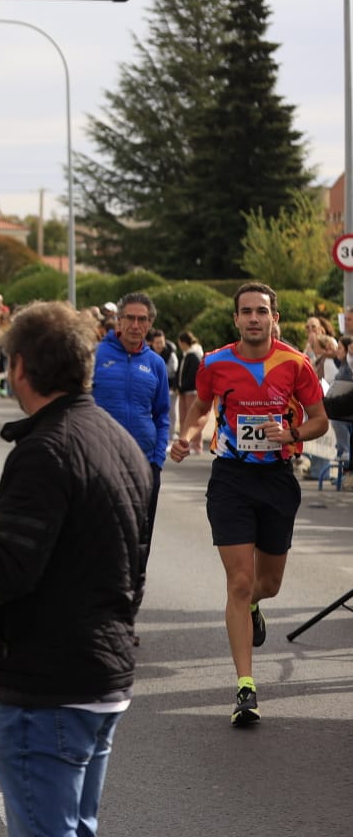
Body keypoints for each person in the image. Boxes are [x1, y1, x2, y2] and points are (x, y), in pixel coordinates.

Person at [0, 302, 150, 837]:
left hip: (52, 686)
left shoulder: (46, 450)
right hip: (102, 676)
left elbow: (8, 570)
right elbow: (137, 565)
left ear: (18, 367)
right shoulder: (121, 443)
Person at [169, 282, 329, 726]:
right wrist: (187, 437)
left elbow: (319, 420)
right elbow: (201, 407)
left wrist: (293, 435)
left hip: (278, 479)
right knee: (238, 582)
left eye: (262, 311)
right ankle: (245, 686)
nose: (254, 318)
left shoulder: (296, 363)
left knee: (268, 584)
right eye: (246, 312)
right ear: (236, 318)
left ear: (274, 317)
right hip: (232, 480)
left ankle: (256, 605)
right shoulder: (215, 363)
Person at [92, 293, 172, 583]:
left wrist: (158, 458)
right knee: (99, 532)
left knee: (140, 536)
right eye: (130, 318)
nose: (135, 325)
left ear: (150, 324)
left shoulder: (155, 364)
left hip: (144, 464)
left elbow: (163, 415)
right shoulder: (97, 356)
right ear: (119, 320)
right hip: (101, 460)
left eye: (142, 319)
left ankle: (131, 595)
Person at [176, 330, 205, 453]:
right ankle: (185, 444)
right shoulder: (187, 354)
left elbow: (192, 376)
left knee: (193, 419)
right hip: (184, 391)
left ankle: (196, 445)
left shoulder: (193, 355)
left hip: (191, 392)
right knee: (183, 418)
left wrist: (182, 387)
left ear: (183, 342)